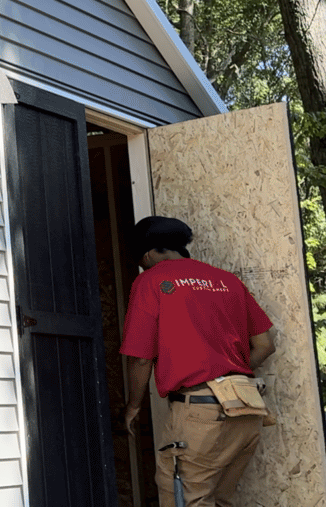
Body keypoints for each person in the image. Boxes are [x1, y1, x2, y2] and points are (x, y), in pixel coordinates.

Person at [120, 215, 277, 506]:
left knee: (186, 500)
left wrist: (133, 406)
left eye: (142, 261)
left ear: (148, 254)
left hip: (201, 416)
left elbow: (141, 359)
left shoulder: (150, 281)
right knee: (220, 501)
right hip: (247, 409)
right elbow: (265, 344)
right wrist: (226, 377)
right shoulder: (227, 280)